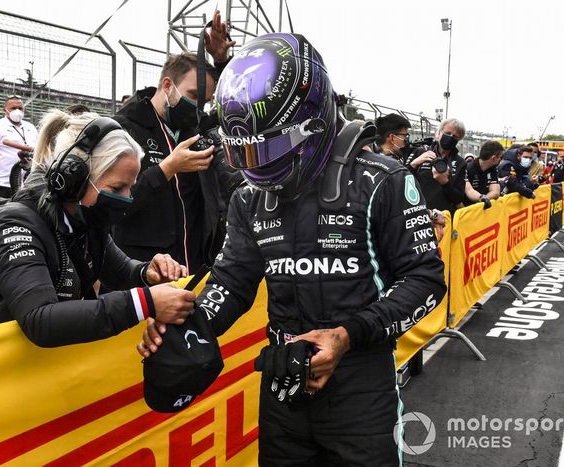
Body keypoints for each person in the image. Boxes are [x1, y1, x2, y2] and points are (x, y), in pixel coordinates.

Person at [137, 33, 446, 466]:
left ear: (314, 121)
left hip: (360, 382)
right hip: (283, 382)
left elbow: (427, 280)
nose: (256, 164)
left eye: (268, 147)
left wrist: (347, 336)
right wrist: (189, 323)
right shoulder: (249, 198)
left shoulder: (384, 180)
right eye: (244, 150)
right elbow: (232, 280)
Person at [0, 111, 196, 347]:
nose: (127, 198)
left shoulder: (85, 216)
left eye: (130, 188)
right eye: (116, 188)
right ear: (74, 179)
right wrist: (145, 303)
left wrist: (147, 272)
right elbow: (39, 320)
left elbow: (119, 269)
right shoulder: (14, 223)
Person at [112, 10, 237, 273]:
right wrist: (167, 169)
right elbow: (114, 206)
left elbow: (234, 110)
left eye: (204, 102)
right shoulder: (124, 128)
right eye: (192, 95)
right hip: (144, 271)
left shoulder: (196, 127)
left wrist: (221, 61)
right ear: (168, 85)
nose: (197, 107)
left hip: (194, 265)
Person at [0, 95, 38, 198]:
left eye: (20, 108)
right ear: (5, 110)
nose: (17, 111)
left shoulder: (31, 127)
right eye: (13, 108)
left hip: (30, 183)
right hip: (5, 183)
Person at [405, 118, 468, 215]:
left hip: (444, 218)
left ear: (458, 140)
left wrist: (445, 182)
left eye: (455, 136)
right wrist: (414, 164)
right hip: (419, 214)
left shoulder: (460, 163)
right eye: (447, 133)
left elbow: (458, 198)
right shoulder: (420, 152)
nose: (450, 137)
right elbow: (402, 180)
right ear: (439, 133)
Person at [464, 141, 502, 207]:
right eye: (499, 157)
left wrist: (484, 200)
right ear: (493, 158)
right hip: (466, 209)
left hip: (482, 209)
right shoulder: (468, 168)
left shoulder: (493, 168)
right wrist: (482, 199)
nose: (500, 160)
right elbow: (469, 191)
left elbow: (495, 192)